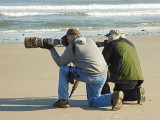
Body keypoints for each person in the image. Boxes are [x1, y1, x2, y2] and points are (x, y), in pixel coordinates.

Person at [42, 28, 124, 111]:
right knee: (92, 101)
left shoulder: (72, 46)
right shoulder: (90, 41)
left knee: (63, 70)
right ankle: (113, 97)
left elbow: (60, 63)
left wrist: (51, 49)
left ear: (70, 39)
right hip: (102, 75)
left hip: (89, 75)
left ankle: (63, 100)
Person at [101, 29, 145, 104]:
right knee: (120, 94)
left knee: (99, 76)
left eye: (108, 36)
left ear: (112, 37)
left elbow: (102, 61)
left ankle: (108, 97)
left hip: (122, 77)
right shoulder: (130, 44)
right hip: (137, 78)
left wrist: (106, 47)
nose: (107, 38)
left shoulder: (111, 44)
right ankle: (136, 94)